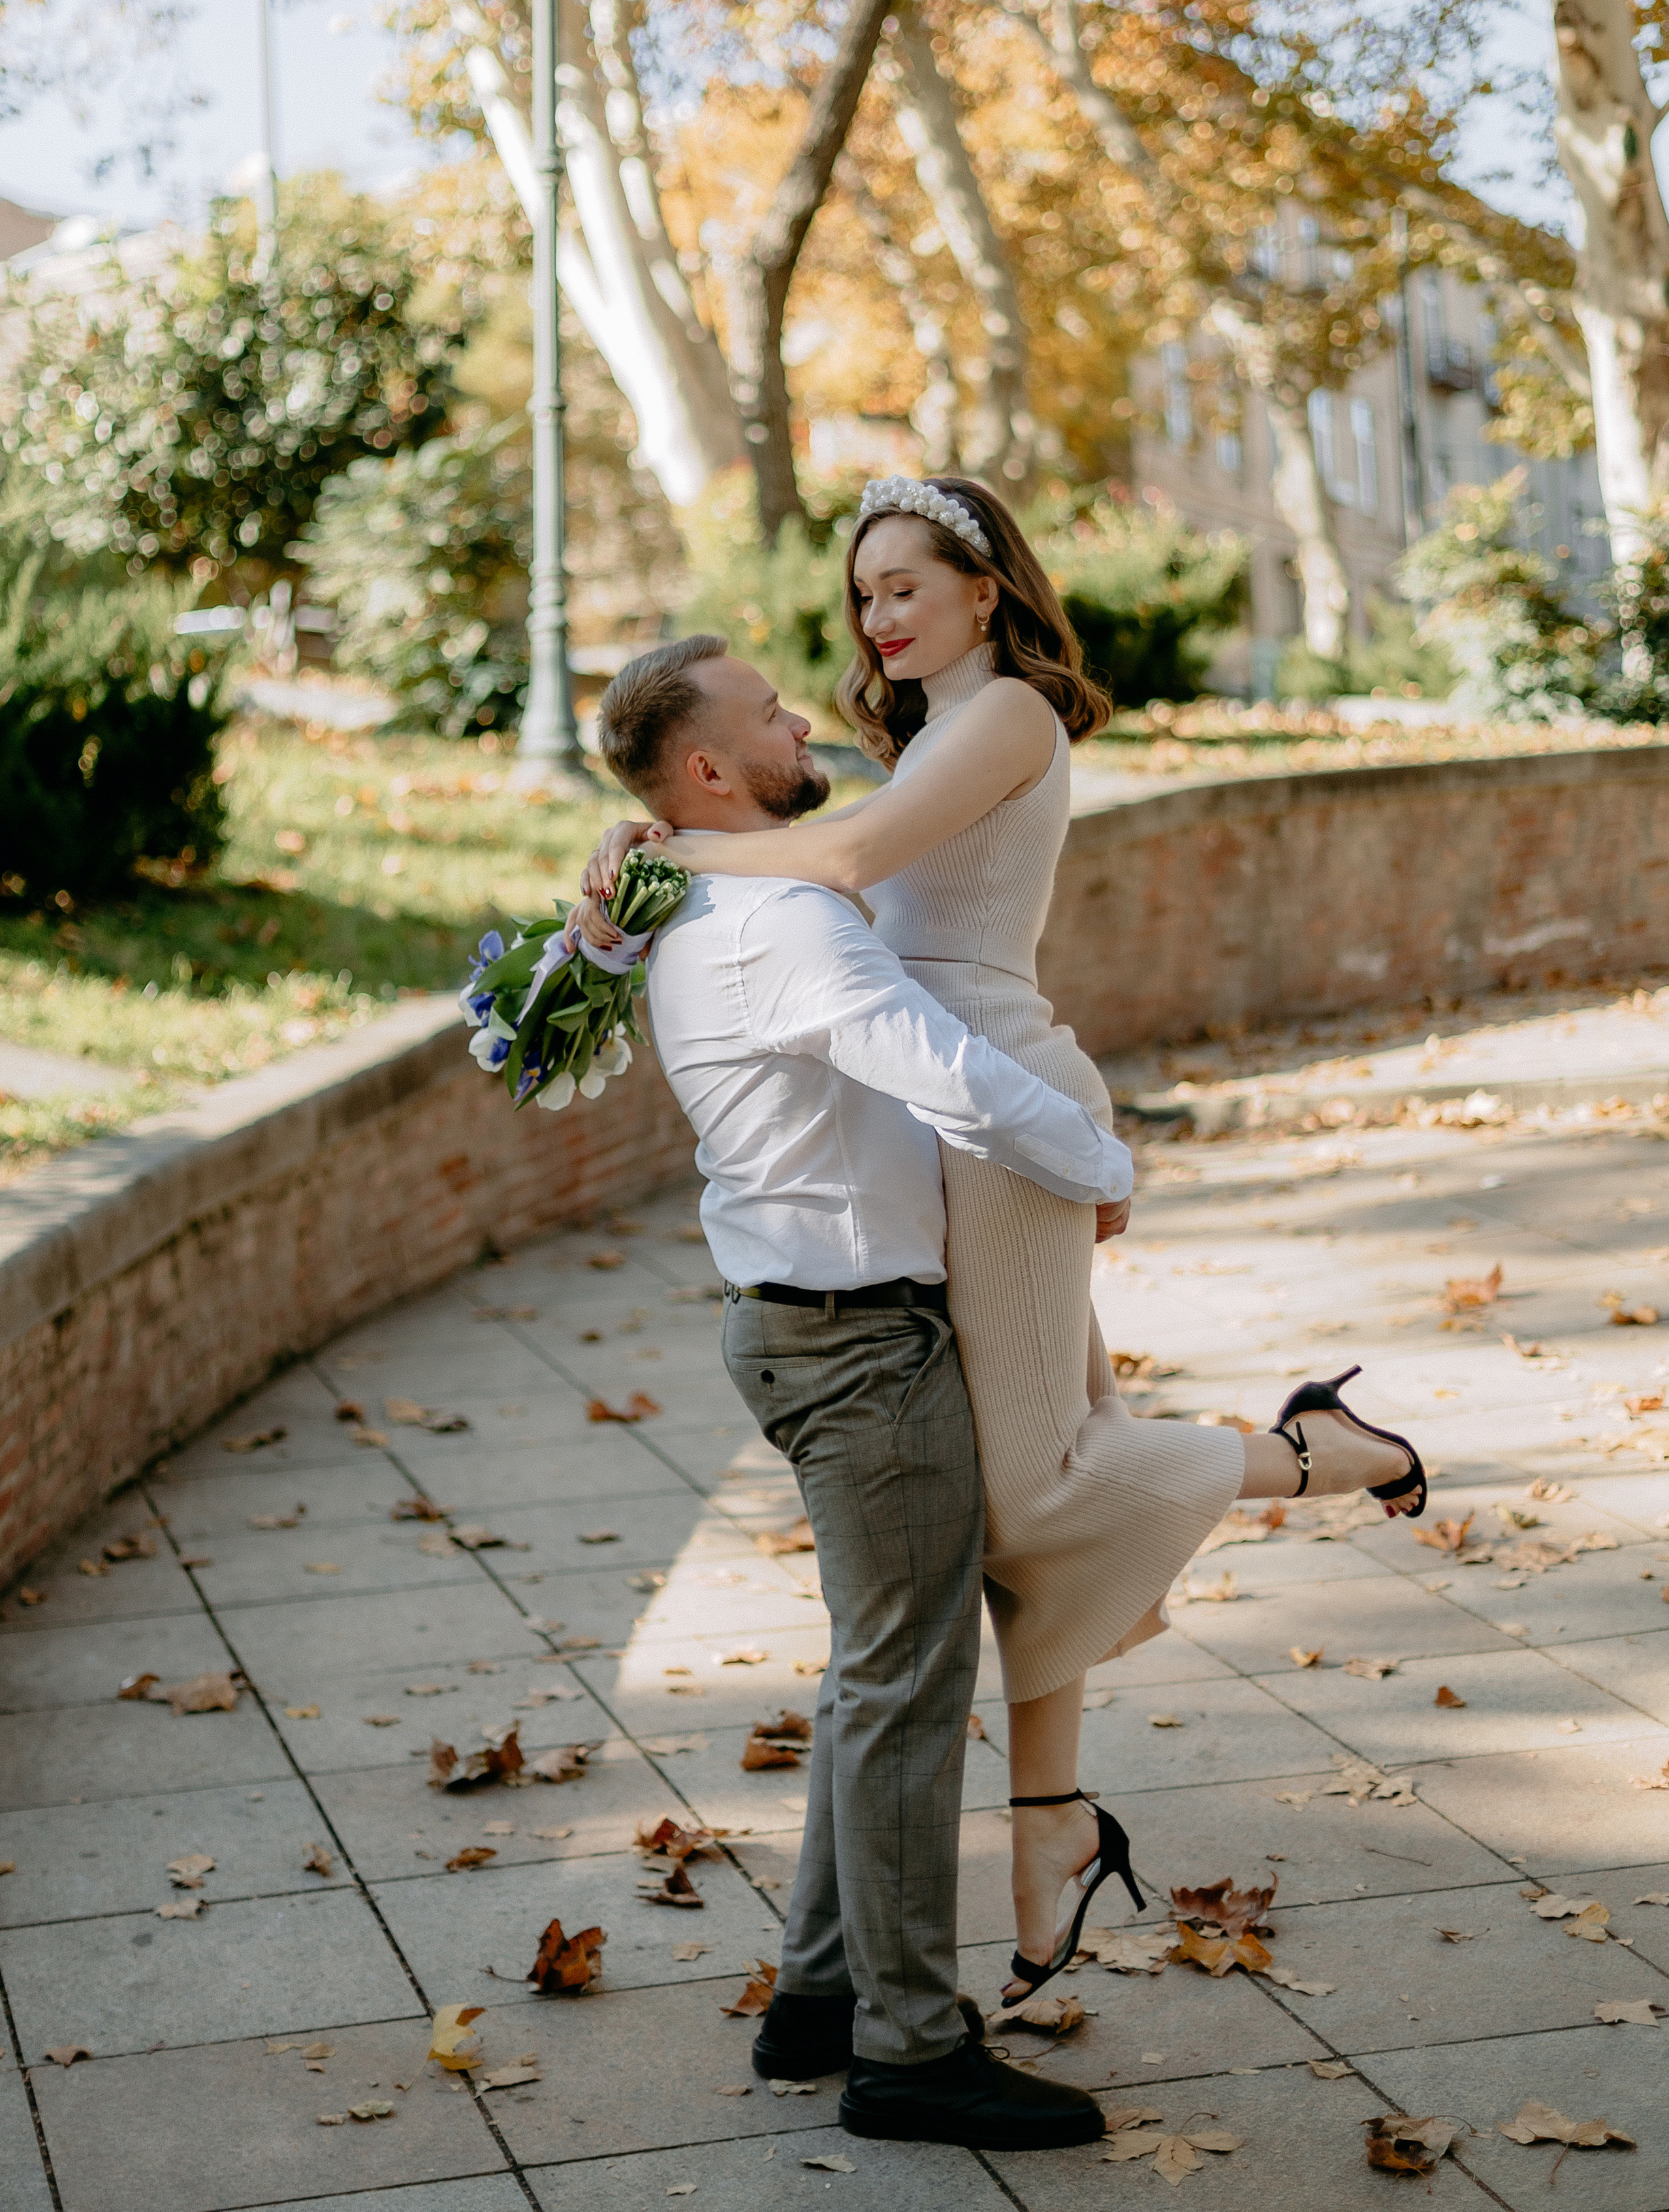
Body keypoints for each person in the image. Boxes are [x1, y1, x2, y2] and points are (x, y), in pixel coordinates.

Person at [580, 476, 1425, 2008]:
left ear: (985, 589)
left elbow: (831, 873)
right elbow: (808, 844)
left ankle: (1326, 1451)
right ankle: (1047, 1828)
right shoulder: (912, 738)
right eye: (861, 595)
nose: (878, 616)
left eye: (908, 583)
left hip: (1004, 1105)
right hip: (958, 1119)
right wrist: (645, 872)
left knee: (1035, 1485)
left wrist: (666, 854)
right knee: (1029, 1478)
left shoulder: (1010, 719)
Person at [594, 632, 1135, 2151]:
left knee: (873, 1668)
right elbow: (938, 1064)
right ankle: (908, 2048)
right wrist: (1101, 1164)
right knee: (904, 1691)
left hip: (800, 1325)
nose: (794, 717)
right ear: (709, 771)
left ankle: (821, 1995)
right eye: (762, 713)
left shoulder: (711, 896)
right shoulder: (783, 931)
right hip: (856, 1340)